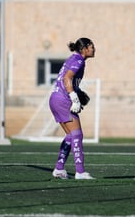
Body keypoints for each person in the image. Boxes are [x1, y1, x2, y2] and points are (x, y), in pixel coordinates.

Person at [49, 37, 96, 180]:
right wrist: (74, 98)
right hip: (63, 99)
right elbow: (67, 78)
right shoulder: (78, 60)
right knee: (77, 134)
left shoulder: (73, 58)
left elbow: (67, 78)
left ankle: (59, 169)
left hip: (54, 98)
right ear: (84, 49)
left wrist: (77, 92)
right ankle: (80, 172)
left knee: (70, 135)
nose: (94, 49)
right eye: (91, 46)